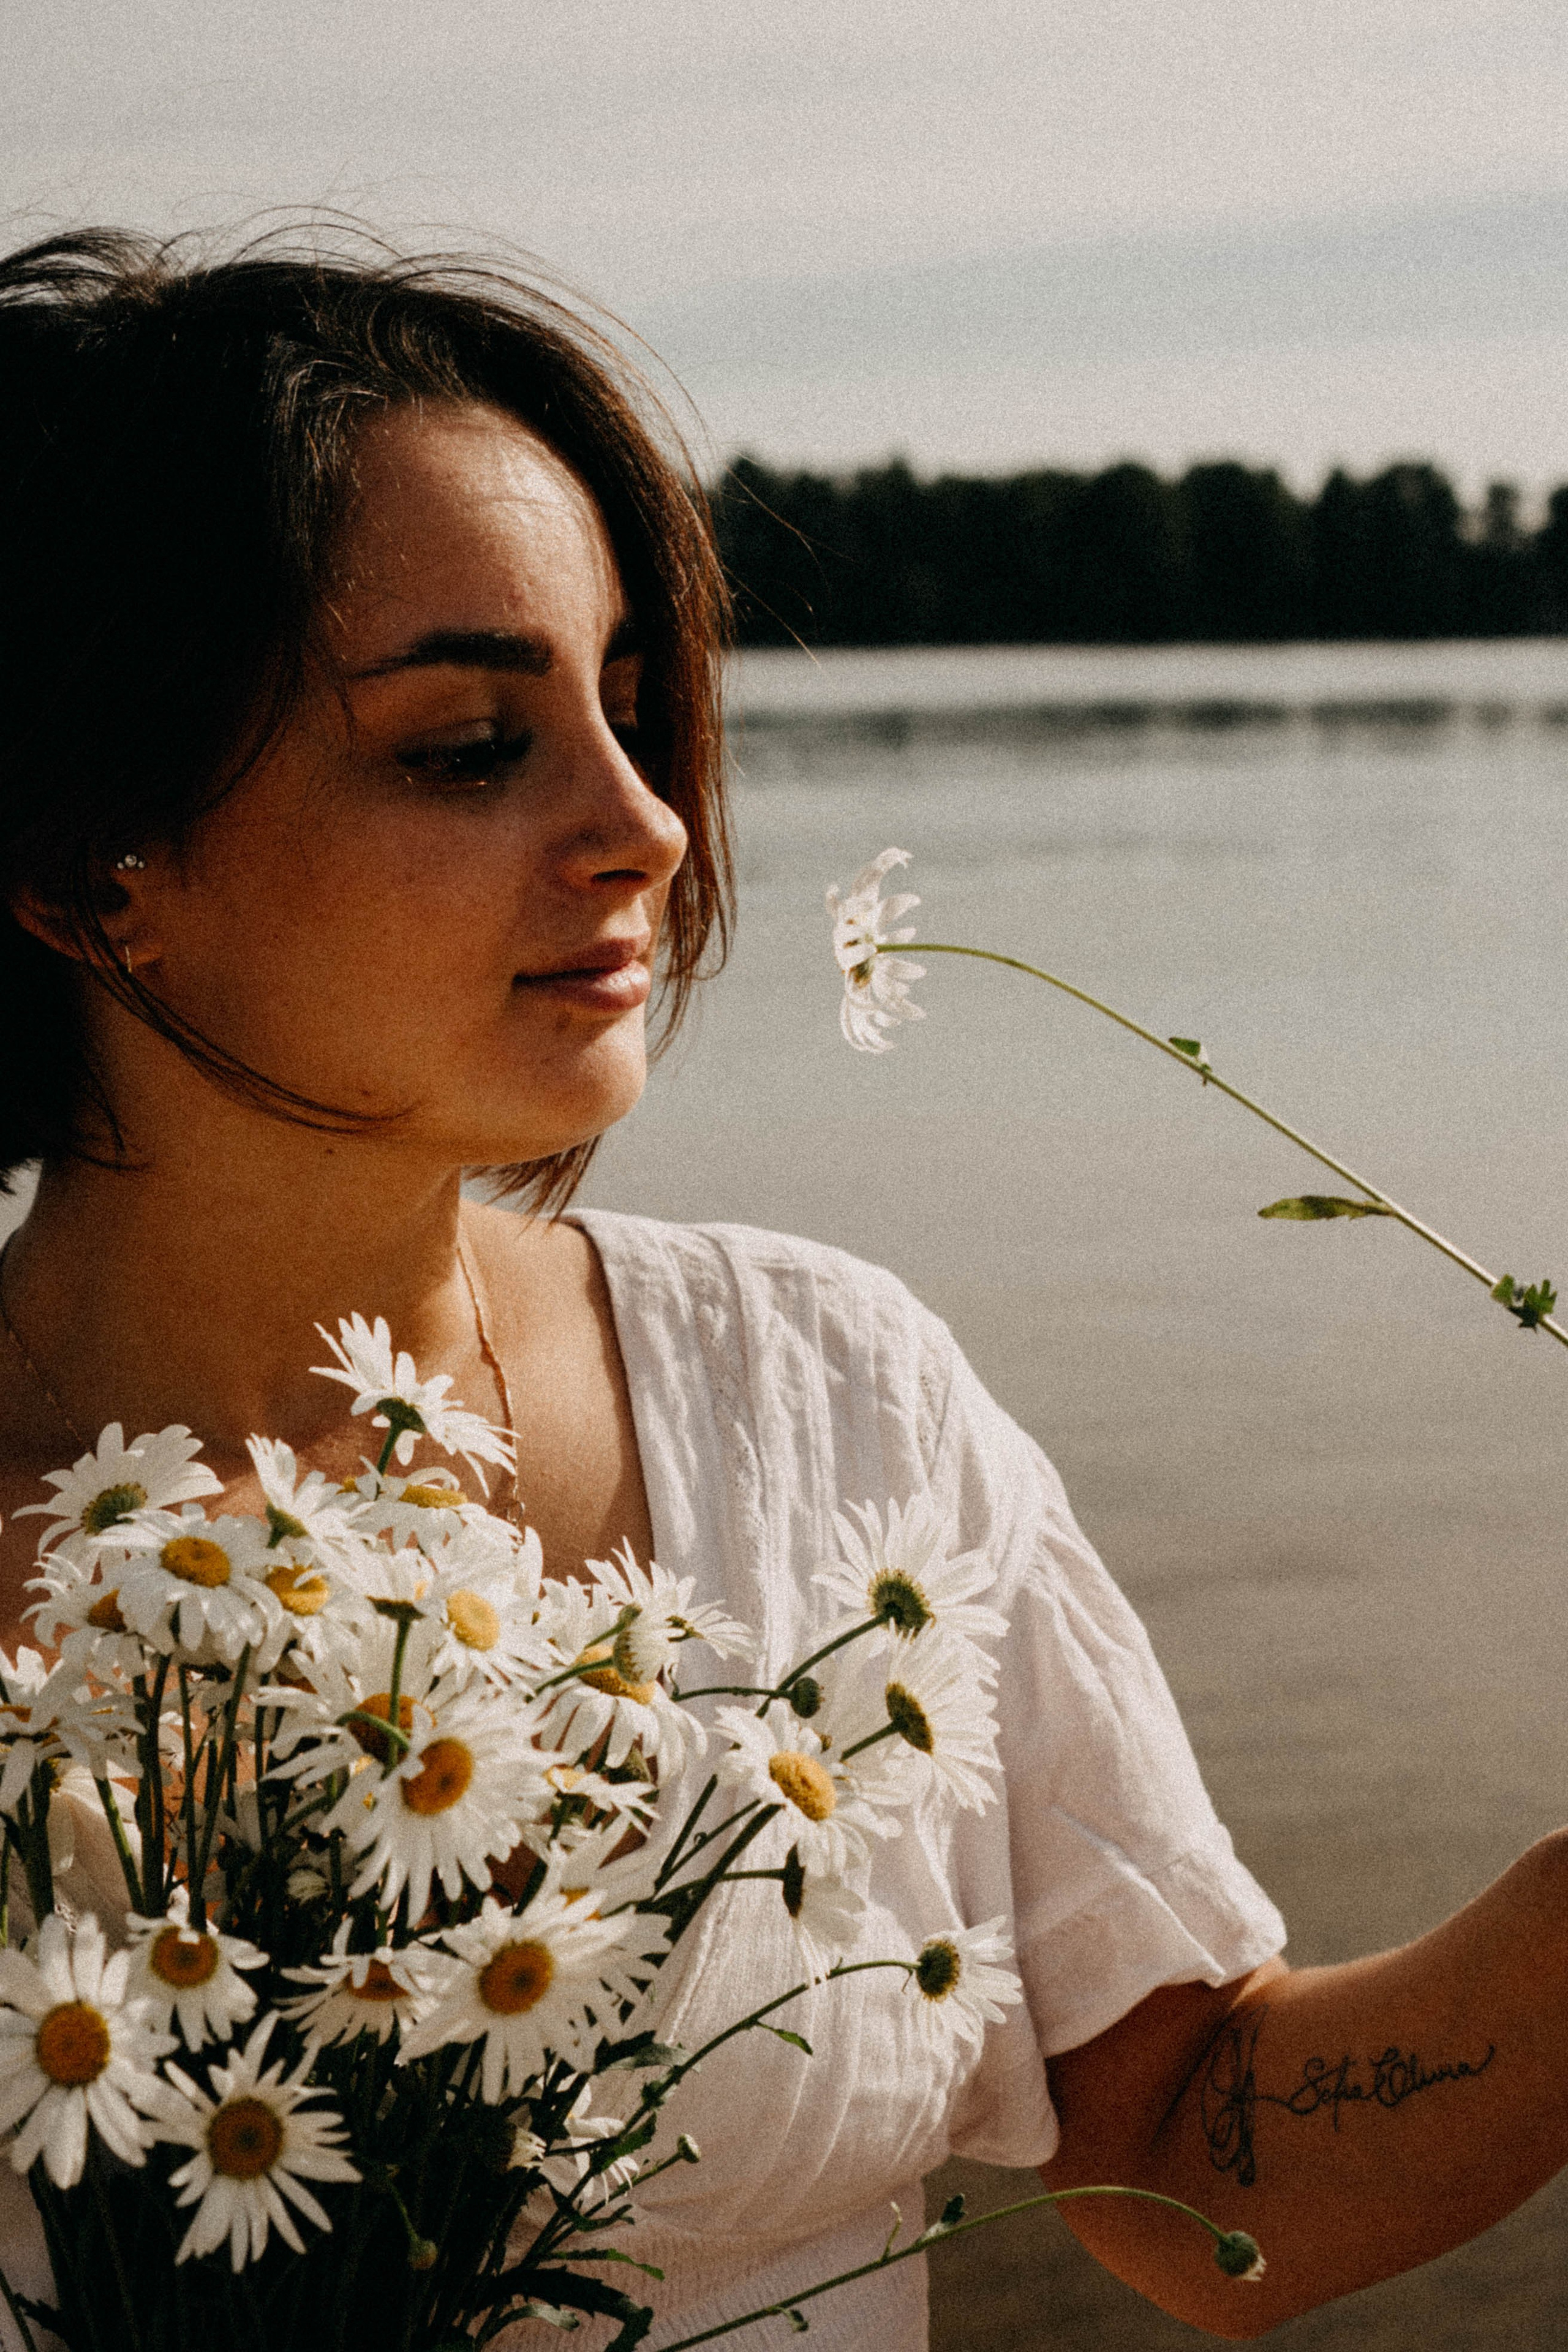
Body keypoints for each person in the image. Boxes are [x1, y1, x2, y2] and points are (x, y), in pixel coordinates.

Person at [0, 227, 1562, 2352]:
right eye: (469, 743)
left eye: (632, 707)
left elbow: (1191, 2156)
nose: (645, 823)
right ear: (96, 856)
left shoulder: (831, 1401)